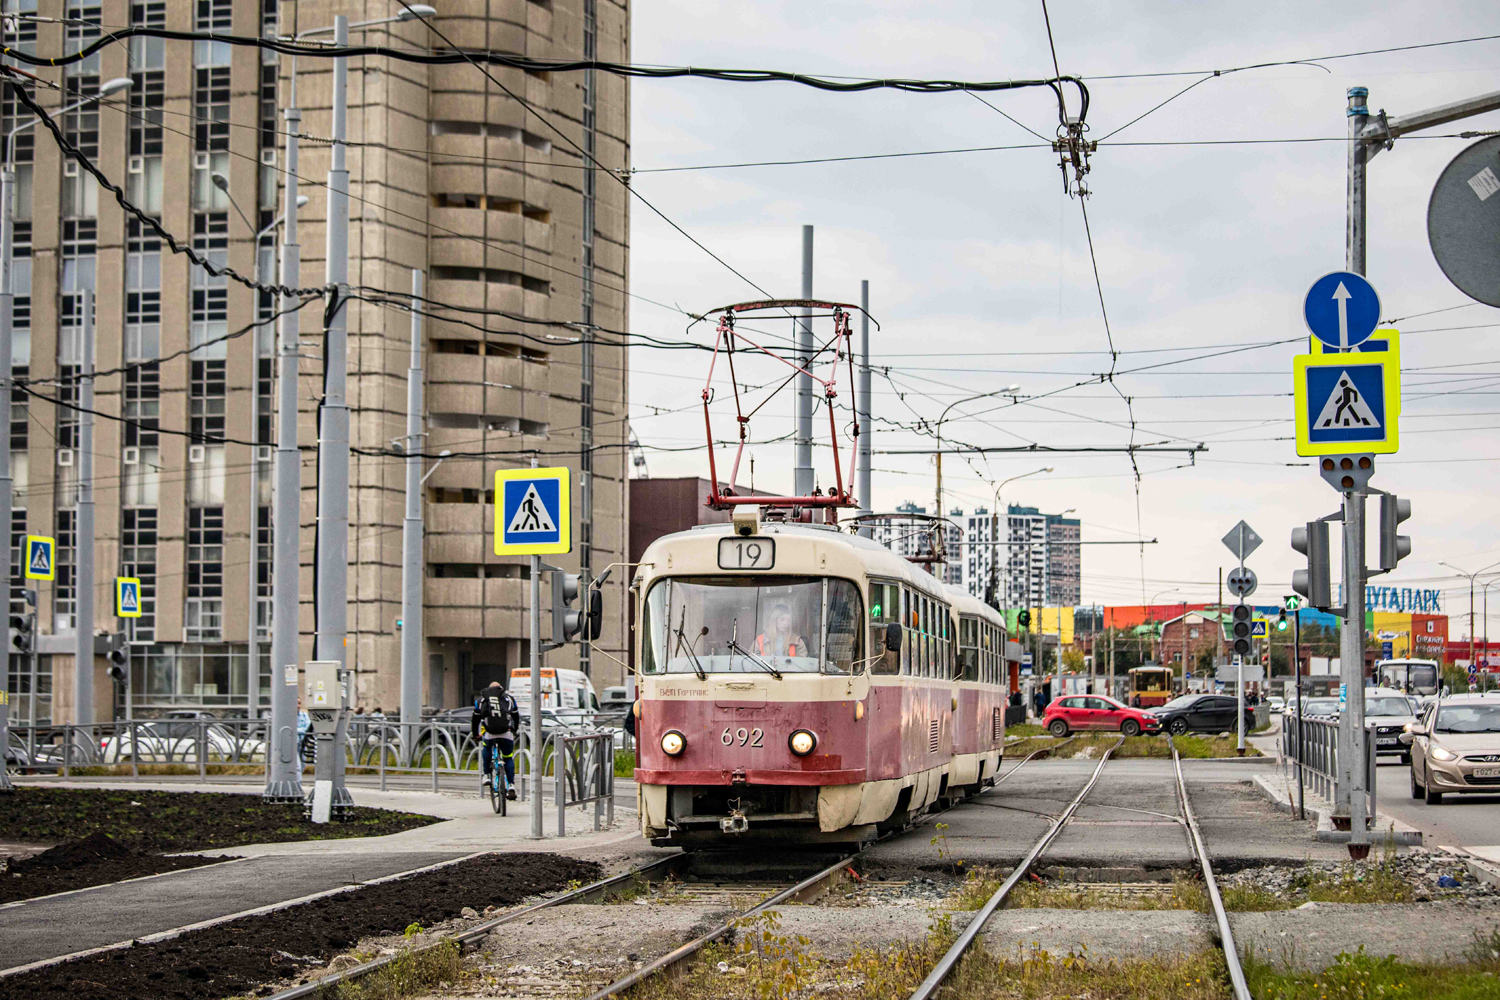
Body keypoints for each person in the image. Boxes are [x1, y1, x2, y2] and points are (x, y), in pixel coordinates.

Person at [472, 681, 520, 799]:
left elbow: (475, 720)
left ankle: (487, 774)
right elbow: (516, 716)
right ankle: (511, 785)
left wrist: (475, 734)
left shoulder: (481, 700)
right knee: (508, 757)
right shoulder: (510, 699)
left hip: (490, 732)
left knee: (487, 747)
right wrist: (514, 730)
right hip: (506, 733)